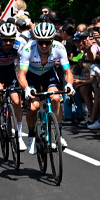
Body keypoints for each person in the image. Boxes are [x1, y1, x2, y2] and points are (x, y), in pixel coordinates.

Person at [18, 22, 75, 154]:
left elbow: (67, 72)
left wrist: (69, 84)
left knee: (56, 98)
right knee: (34, 106)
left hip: (48, 74)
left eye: (47, 42)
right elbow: (21, 74)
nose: (44, 46)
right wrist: (26, 88)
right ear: (36, 40)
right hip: (31, 76)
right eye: (40, 42)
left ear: (52, 40)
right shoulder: (28, 48)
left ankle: (59, 135)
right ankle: (31, 135)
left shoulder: (59, 47)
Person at [0, 21, 26, 147]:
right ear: (0, 38)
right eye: (5, 40)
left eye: (11, 40)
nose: (8, 43)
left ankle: (19, 135)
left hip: (9, 72)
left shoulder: (19, 46)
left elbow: (24, 65)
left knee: (16, 100)